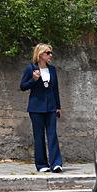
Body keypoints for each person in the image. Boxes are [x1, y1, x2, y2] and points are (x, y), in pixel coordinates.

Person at [19, 43, 63, 173]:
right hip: (36, 108)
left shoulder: (52, 69)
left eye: (51, 52)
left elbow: (55, 89)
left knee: (52, 135)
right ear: (40, 55)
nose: (50, 55)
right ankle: (41, 164)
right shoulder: (30, 69)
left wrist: (58, 106)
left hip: (51, 108)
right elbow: (22, 86)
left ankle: (56, 163)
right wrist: (33, 79)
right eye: (48, 53)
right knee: (38, 136)